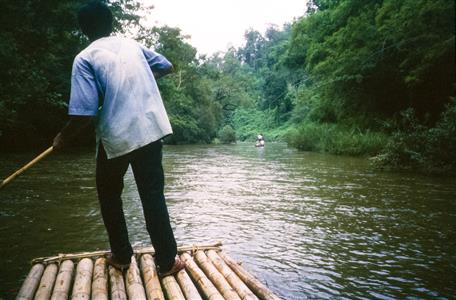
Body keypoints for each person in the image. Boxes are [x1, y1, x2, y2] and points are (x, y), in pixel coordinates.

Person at [52, 1, 185, 276]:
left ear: (83, 29)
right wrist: (136, 80)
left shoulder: (85, 58)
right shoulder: (132, 46)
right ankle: (167, 262)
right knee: (152, 196)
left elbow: (84, 114)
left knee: (109, 194)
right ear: (111, 24)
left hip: (117, 136)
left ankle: (122, 255)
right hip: (150, 130)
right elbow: (167, 65)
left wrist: (62, 138)